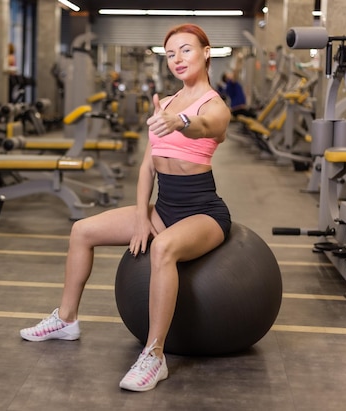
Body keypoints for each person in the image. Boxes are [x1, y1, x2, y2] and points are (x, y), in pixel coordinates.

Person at [19, 23, 232, 392]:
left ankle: (154, 355)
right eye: (170, 54)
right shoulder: (163, 102)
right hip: (163, 206)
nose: (177, 59)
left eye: (185, 50)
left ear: (206, 52)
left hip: (204, 212)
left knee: (163, 248)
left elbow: (205, 127)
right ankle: (66, 320)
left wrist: (180, 121)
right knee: (82, 230)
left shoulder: (215, 105)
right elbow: (148, 166)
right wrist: (140, 217)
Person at [221, 52, 256, 118]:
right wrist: (238, 60)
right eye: (228, 74)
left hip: (239, 108)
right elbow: (236, 72)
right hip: (238, 109)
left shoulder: (231, 84)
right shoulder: (230, 83)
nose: (230, 74)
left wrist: (240, 63)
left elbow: (237, 72)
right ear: (227, 78)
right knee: (255, 117)